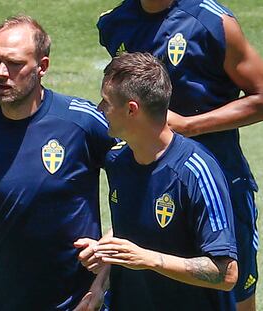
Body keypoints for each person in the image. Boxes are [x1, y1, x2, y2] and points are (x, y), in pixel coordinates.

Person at [0, 15, 115, 310]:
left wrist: (108, 250)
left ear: (43, 67)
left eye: (14, 64)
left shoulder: (81, 122)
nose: (1, 73)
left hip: (77, 302)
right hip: (2, 301)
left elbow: (143, 185)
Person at [96, 1, 263, 309]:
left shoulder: (214, 22)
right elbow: (120, 96)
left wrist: (190, 126)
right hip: (151, 179)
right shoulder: (114, 23)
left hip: (220, 182)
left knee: (234, 296)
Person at [82, 51, 239, 310]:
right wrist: (101, 275)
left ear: (132, 109)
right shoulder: (118, 161)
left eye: (106, 102)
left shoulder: (195, 171)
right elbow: (132, 232)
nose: (100, 109)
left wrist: (149, 259)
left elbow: (226, 273)